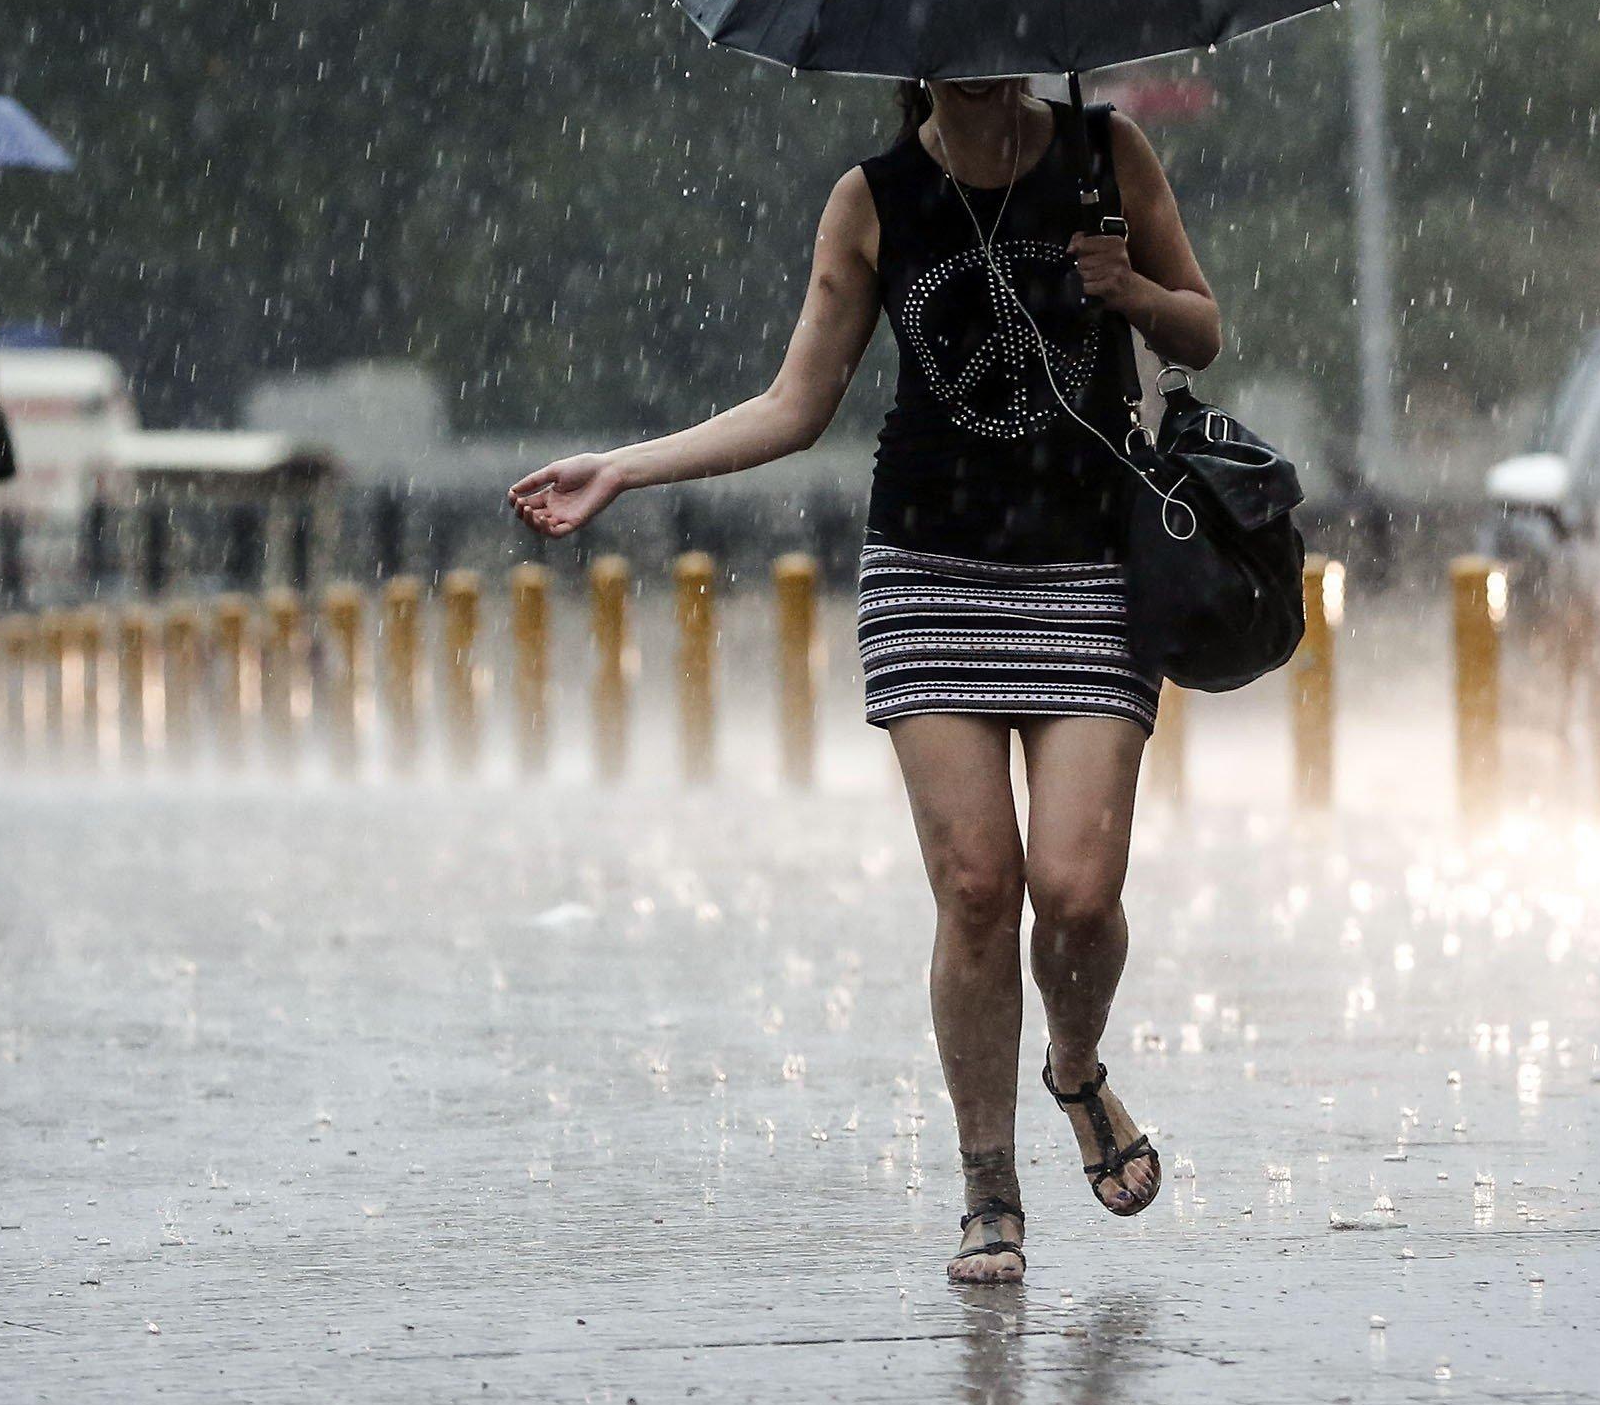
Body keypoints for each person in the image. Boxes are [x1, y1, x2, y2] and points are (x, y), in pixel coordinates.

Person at [511, 77, 1221, 1285]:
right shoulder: (876, 197)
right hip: (929, 573)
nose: (977, 61)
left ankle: (1075, 1065)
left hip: (1091, 569)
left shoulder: (1110, 155)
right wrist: (622, 470)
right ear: (913, 57)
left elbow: (1200, 330)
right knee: (980, 887)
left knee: (1081, 891)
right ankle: (989, 1187)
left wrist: (1135, 292)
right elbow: (796, 404)